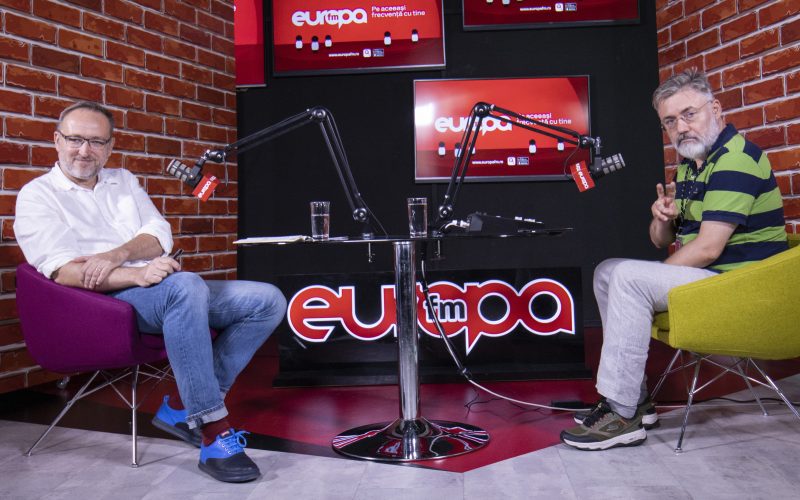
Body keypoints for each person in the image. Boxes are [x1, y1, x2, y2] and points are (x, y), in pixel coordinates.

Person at [14, 101, 288, 482]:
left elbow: (160, 235)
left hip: (156, 286)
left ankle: (186, 410)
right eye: (75, 139)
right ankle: (213, 431)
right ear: (57, 140)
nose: (84, 150)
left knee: (267, 300)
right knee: (185, 287)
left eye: (96, 142)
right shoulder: (37, 195)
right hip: (98, 304)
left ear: (110, 146)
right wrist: (136, 275)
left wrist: (119, 255)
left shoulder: (123, 181)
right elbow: (65, 272)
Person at [559, 69, 788, 451]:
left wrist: (645, 279)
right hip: (712, 277)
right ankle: (635, 400)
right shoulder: (692, 163)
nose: (680, 127)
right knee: (607, 272)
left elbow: (708, 248)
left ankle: (621, 414)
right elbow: (660, 240)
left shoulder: (735, 160)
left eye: (689, 114)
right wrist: (662, 217)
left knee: (627, 277)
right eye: (669, 121)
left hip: (743, 287)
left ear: (716, 109)